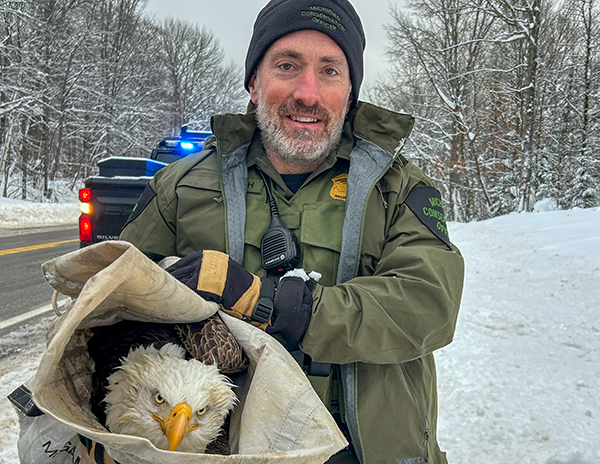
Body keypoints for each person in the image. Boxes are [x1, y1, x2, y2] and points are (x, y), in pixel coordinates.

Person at [120, 0, 465, 462]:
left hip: (364, 451)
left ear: (350, 92)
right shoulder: (179, 188)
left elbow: (429, 305)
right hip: (218, 448)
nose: (308, 93)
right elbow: (110, 313)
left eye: (329, 71)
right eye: (287, 65)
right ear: (254, 84)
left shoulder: (400, 190)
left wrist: (268, 303)